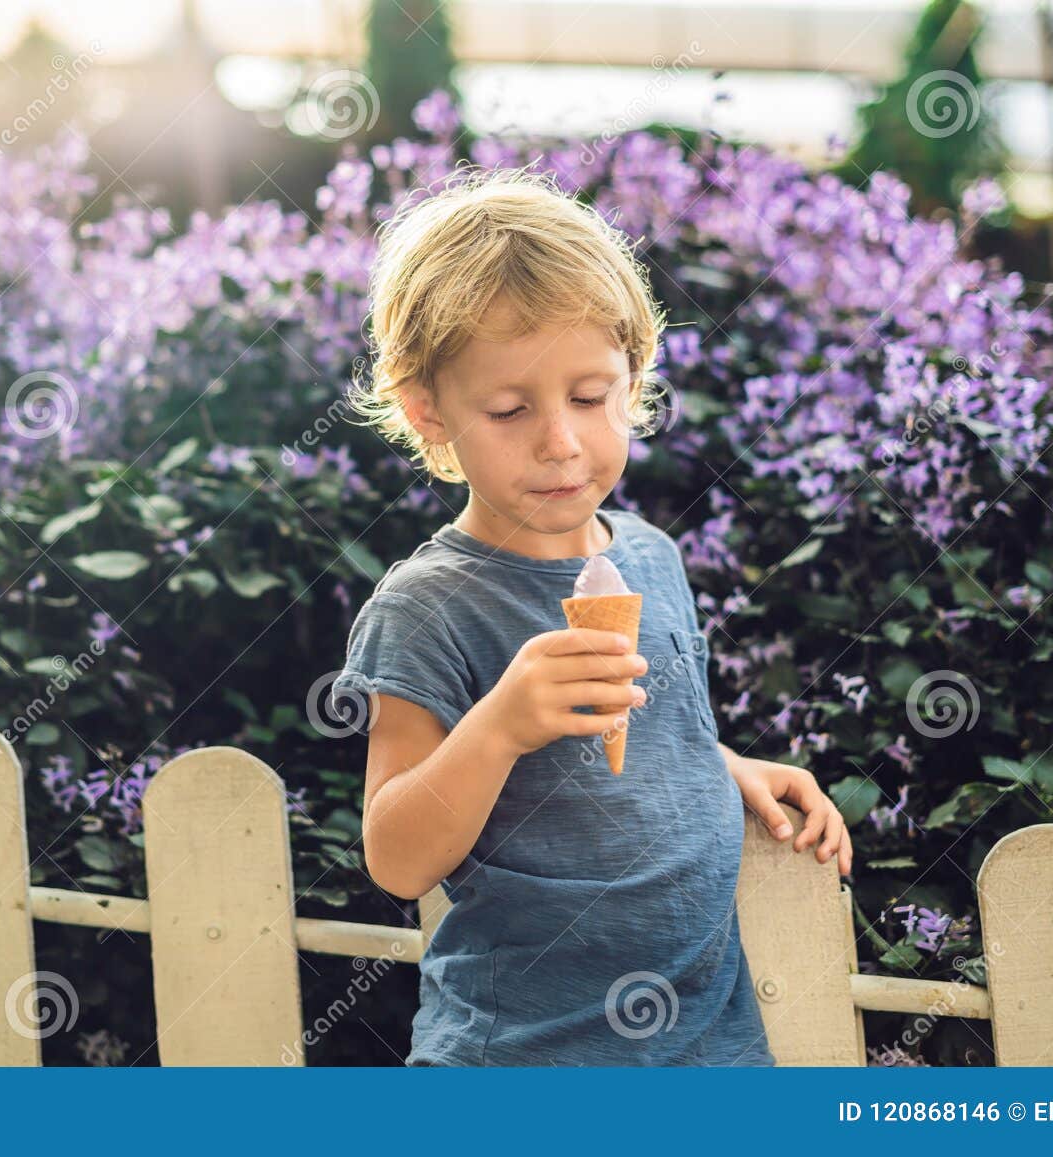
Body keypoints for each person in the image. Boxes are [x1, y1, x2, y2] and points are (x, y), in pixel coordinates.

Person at [332, 167, 852, 1066]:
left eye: (589, 395)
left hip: (707, 1045)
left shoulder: (651, 555)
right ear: (429, 411)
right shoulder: (426, 608)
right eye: (509, 408)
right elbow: (396, 856)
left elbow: (645, 732)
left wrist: (726, 765)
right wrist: (499, 725)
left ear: (635, 376)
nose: (561, 442)